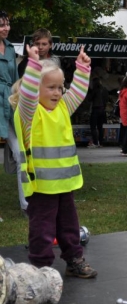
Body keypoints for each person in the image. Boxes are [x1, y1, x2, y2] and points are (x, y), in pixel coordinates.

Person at [13, 44, 97, 278]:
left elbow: (77, 93)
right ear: (34, 88)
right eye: (50, 87)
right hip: (40, 187)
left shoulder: (62, 108)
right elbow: (28, 95)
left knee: (69, 227)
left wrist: (82, 68)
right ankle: (40, 268)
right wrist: (33, 67)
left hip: (64, 184)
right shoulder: (28, 113)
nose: (58, 93)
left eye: (60, 87)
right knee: (42, 230)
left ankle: (74, 260)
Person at [0, 10, 27, 213]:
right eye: (2, 25)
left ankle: (26, 204)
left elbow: (17, 80)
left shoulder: (10, 49)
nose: (6, 28)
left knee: (20, 154)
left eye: (7, 24)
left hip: (9, 105)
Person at [86, 76, 108, 148]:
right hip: (102, 110)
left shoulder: (95, 90)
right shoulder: (104, 89)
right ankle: (101, 142)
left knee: (93, 126)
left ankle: (95, 142)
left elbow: (89, 99)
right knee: (100, 127)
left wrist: (89, 91)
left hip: (95, 109)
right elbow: (106, 100)